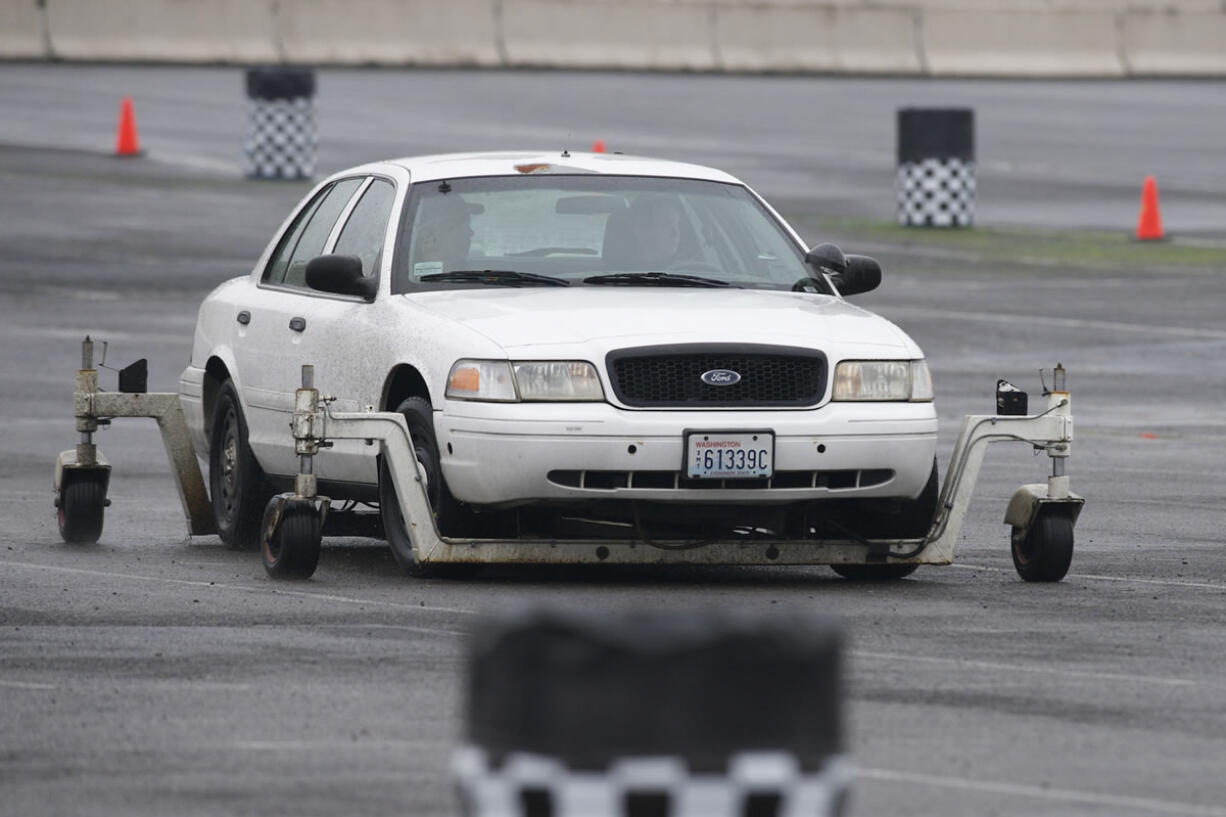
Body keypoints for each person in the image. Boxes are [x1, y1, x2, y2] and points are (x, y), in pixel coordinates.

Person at [411, 193, 474, 276]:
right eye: (462, 225)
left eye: (467, 225)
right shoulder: (426, 277)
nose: (471, 233)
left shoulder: (460, 266)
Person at [624, 196, 683, 269]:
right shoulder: (618, 269)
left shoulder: (688, 270)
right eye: (667, 223)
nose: (676, 233)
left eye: (678, 224)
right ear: (641, 229)